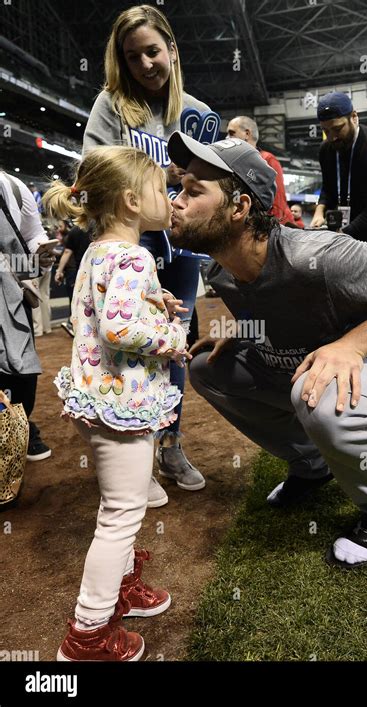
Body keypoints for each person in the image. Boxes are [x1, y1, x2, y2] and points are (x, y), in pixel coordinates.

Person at [165, 131, 367, 569]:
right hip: (308, 371)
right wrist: (244, 328)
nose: (175, 199)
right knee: (208, 366)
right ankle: (311, 466)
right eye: (178, 188)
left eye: (193, 190)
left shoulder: (316, 254)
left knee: (319, 392)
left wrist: (351, 346)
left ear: (240, 208)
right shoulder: (222, 270)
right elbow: (279, 304)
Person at [43, 145, 191, 661]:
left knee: (120, 504)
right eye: (160, 189)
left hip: (101, 399)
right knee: (122, 512)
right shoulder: (133, 253)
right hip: (120, 403)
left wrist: (157, 302)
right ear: (132, 201)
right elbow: (119, 325)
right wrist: (170, 337)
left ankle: (125, 590)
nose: (169, 197)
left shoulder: (100, 248)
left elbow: (111, 306)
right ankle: (87, 635)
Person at [82, 4, 208, 495]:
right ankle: (132, 452)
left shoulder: (197, 113)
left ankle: (170, 443)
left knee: (172, 346)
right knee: (125, 344)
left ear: (172, 51)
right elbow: (94, 172)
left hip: (181, 250)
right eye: (133, 57)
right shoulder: (111, 105)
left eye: (153, 51)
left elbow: (210, 186)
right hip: (130, 249)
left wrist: (192, 179)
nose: (145, 64)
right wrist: (158, 173)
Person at [0, 170, 53, 461]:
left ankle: (22, 425)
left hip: (13, 288)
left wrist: (41, 252)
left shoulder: (15, 186)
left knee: (21, 362)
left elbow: (33, 234)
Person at [310, 92, 367, 249]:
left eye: (338, 129)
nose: (332, 137)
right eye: (326, 131)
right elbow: (328, 188)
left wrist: (339, 236)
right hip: (345, 231)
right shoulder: (326, 150)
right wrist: (319, 212)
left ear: (354, 117)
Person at [227, 115, 295, 226]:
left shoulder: (267, 160)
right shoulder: (234, 164)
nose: (227, 138)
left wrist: (272, 233)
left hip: (272, 229)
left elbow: (277, 202)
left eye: (231, 133)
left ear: (247, 134)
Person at [55, 225, 93, 335]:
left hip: (80, 272)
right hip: (96, 269)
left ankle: (74, 324)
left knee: (78, 300)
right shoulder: (97, 226)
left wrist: (59, 271)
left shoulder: (75, 231)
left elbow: (67, 252)